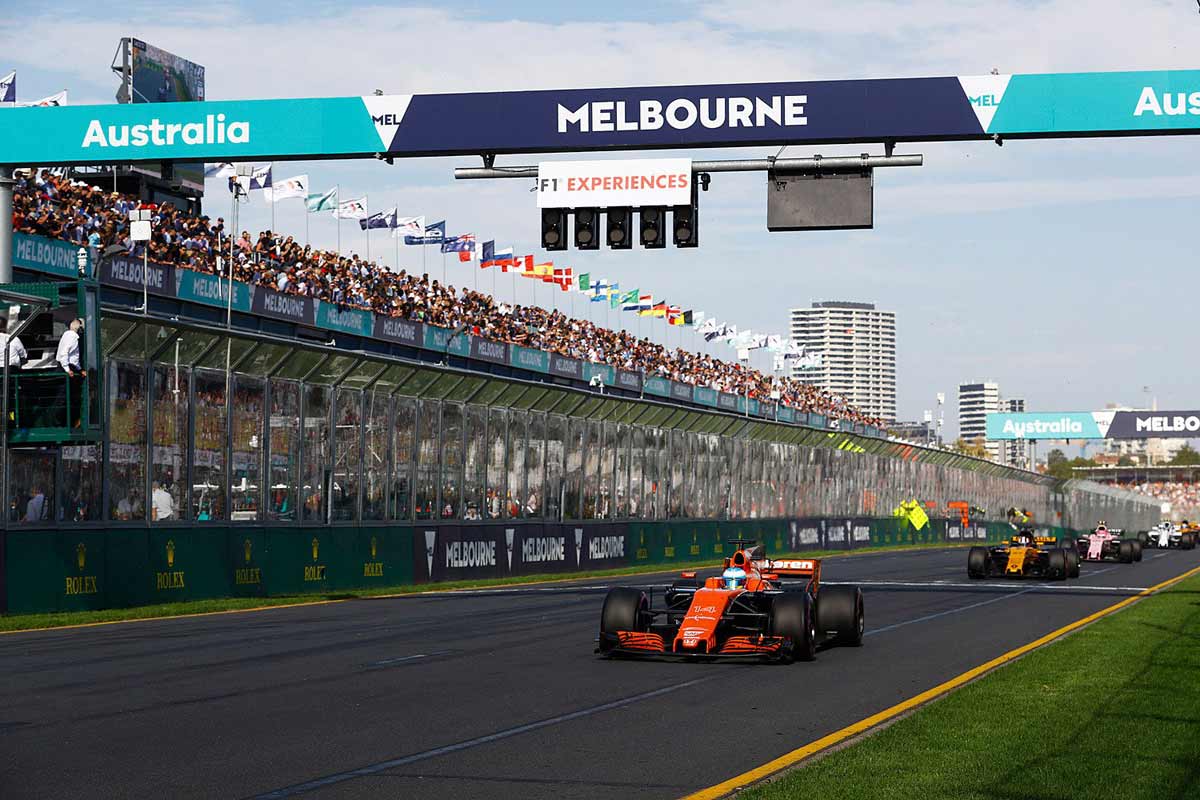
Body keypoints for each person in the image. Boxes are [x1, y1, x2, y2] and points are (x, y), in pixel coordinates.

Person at [56, 318, 87, 427]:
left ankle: (65, 422)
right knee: (65, 397)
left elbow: (73, 357)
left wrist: (80, 370)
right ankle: (61, 423)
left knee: (67, 397)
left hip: (69, 367)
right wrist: (67, 369)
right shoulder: (72, 337)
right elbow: (64, 354)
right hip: (67, 369)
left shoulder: (66, 335)